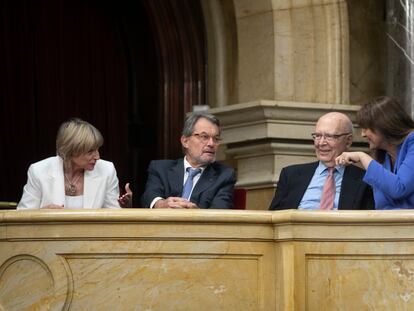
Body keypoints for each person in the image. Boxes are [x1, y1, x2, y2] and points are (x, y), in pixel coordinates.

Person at [17, 118, 132, 209]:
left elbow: (114, 217)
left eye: (97, 149)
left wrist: (126, 206)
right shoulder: (38, 171)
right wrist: (41, 215)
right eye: (90, 151)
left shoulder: (107, 169)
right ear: (71, 150)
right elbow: (21, 219)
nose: (97, 157)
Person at [269, 112, 374, 210]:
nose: (321, 143)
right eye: (318, 136)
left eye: (329, 136)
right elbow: (272, 218)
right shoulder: (290, 175)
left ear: (348, 140)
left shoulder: (365, 181)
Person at [140, 112, 236, 209]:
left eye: (216, 139)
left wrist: (195, 214)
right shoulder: (160, 168)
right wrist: (161, 204)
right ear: (185, 141)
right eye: (204, 137)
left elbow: (220, 212)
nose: (211, 144)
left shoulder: (224, 176)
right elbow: (149, 196)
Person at [336, 96, 414, 209]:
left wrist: (362, 156)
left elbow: (399, 188)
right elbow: (382, 206)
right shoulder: (384, 157)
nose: (363, 134)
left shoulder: (412, 141)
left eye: (366, 128)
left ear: (383, 125)